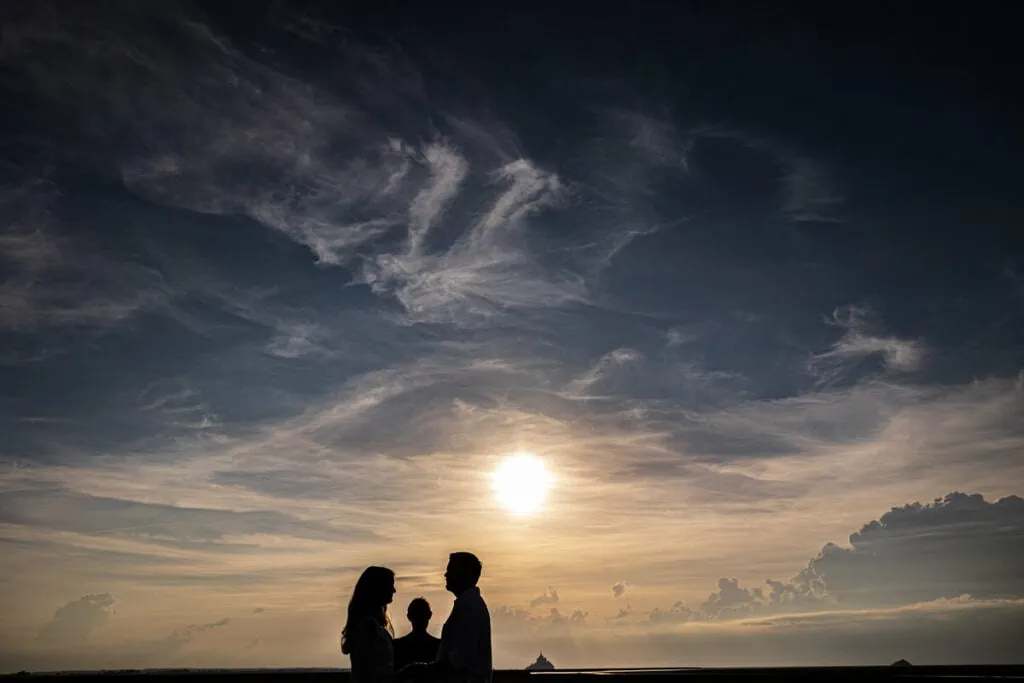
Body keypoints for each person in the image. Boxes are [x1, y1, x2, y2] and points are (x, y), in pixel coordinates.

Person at [427, 552, 492, 683]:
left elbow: (462, 657)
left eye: (450, 570)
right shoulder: (469, 604)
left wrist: (425, 670)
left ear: (464, 574)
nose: (446, 575)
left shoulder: (468, 607)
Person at [341, 566, 398, 683]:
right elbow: (370, 672)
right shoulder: (369, 625)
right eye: (390, 585)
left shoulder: (370, 624)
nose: (394, 590)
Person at [393, 597, 441, 669]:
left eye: (422, 615)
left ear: (409, 617)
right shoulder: (438, 646)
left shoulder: (397, 645)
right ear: (430, 615)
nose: (420, 619)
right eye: (417, 614)